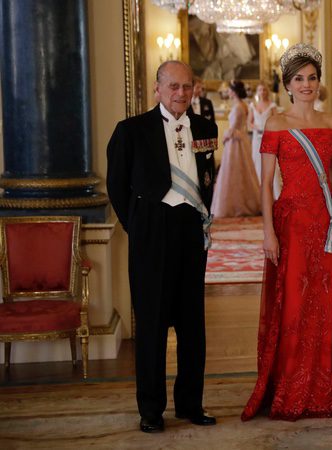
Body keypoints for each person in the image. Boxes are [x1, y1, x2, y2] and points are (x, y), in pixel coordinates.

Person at [241, 43, 332, 421]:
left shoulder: (331, 121)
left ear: (319, 83)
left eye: (312, 78)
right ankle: (291, 387)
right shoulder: (275, 123)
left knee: (326, 303)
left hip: (325, 225)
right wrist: (267, 234)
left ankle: (324, 390)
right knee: (294, 304)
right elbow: (264, 185)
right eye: (299, 79)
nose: (306, 85)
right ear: (287, 85)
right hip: (290, 224)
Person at [106, 60, 218, 433]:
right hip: (151, 232)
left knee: (192, 326)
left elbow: (207, 179)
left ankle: (190, 403)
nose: (180, 94)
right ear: (157, 88)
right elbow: (117, 187)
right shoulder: (131, 131)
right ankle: (151, 410)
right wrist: (137, 226)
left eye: (187, 87)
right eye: (173, 86)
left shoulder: (205, 128)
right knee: (152, 326)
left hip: (190, 232)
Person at [210, 80, 262, 217]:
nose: (228, 91)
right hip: (241, 139)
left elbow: (233, 128)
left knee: (234, 171)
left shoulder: (239, 106)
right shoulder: (243, 105)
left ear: (234, 91)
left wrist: (224, 137)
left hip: (235, 142)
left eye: (230, 89)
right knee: (243, 170)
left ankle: (234, 205)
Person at [248, 81, 281, 198]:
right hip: (256, 138)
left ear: (267, 91)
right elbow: (249, 122)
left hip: (269, 137)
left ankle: (275, 195)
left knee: (271, 163)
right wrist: (255, 127)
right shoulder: (253, 106)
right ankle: (258, 195)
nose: (262, 92)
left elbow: (277, 121)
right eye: (260, 90)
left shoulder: (272, 105)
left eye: (264, 89)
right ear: (257, 92)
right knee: (257, 163)